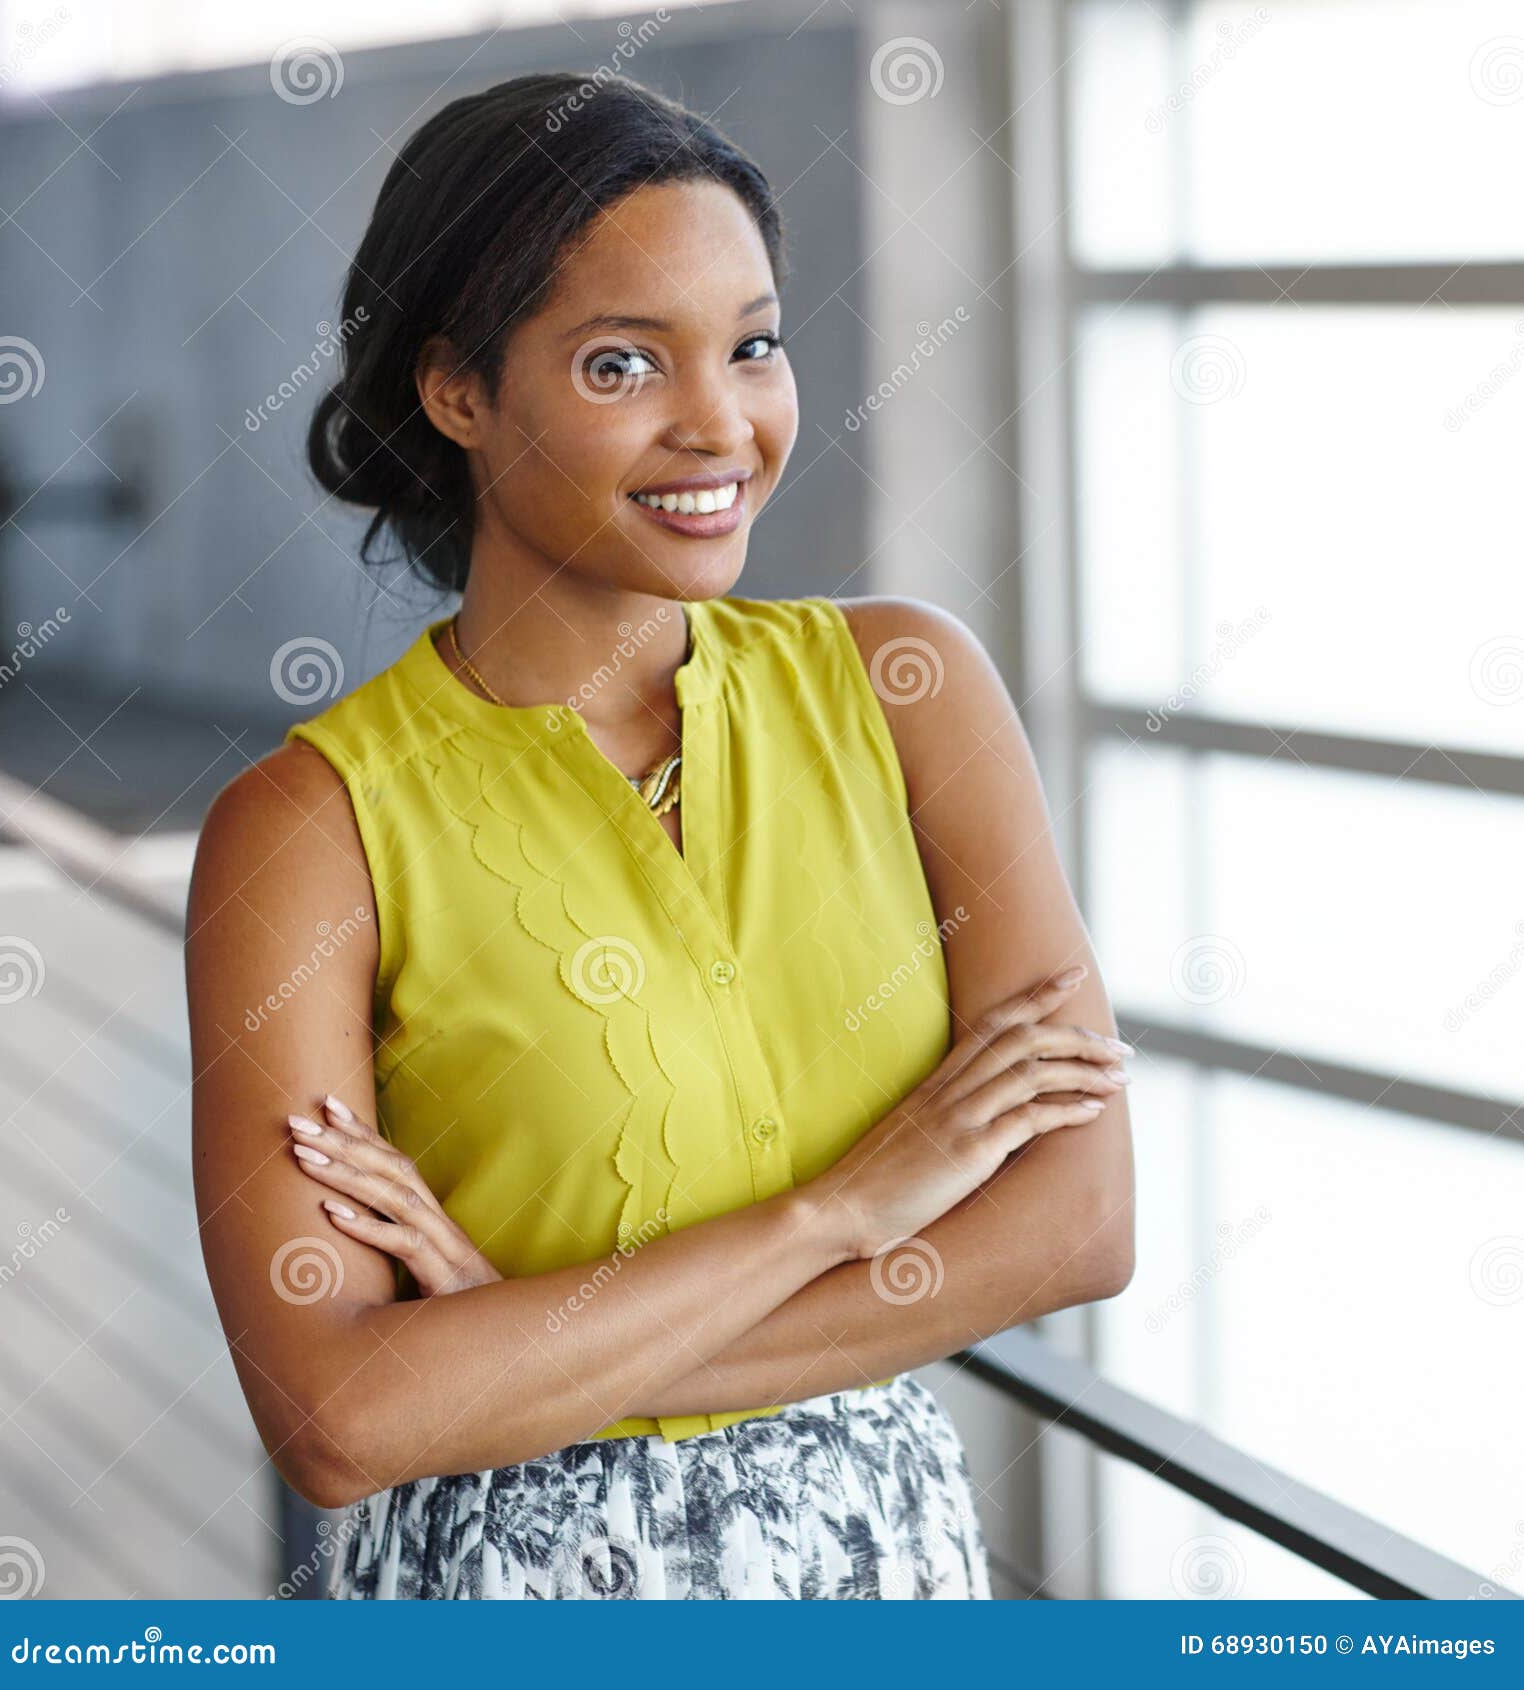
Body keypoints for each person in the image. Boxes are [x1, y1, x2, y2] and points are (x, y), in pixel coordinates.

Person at [185, 70, 1135, 1601]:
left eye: (752, 345)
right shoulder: (308, 827)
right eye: (624, 362)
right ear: (459, 390)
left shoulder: (909, 692)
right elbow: (341, 1415)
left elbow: (1079, 1224)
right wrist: (838, 1213)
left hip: (885, 1567)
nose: (722, 425)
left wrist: (529, 1350)